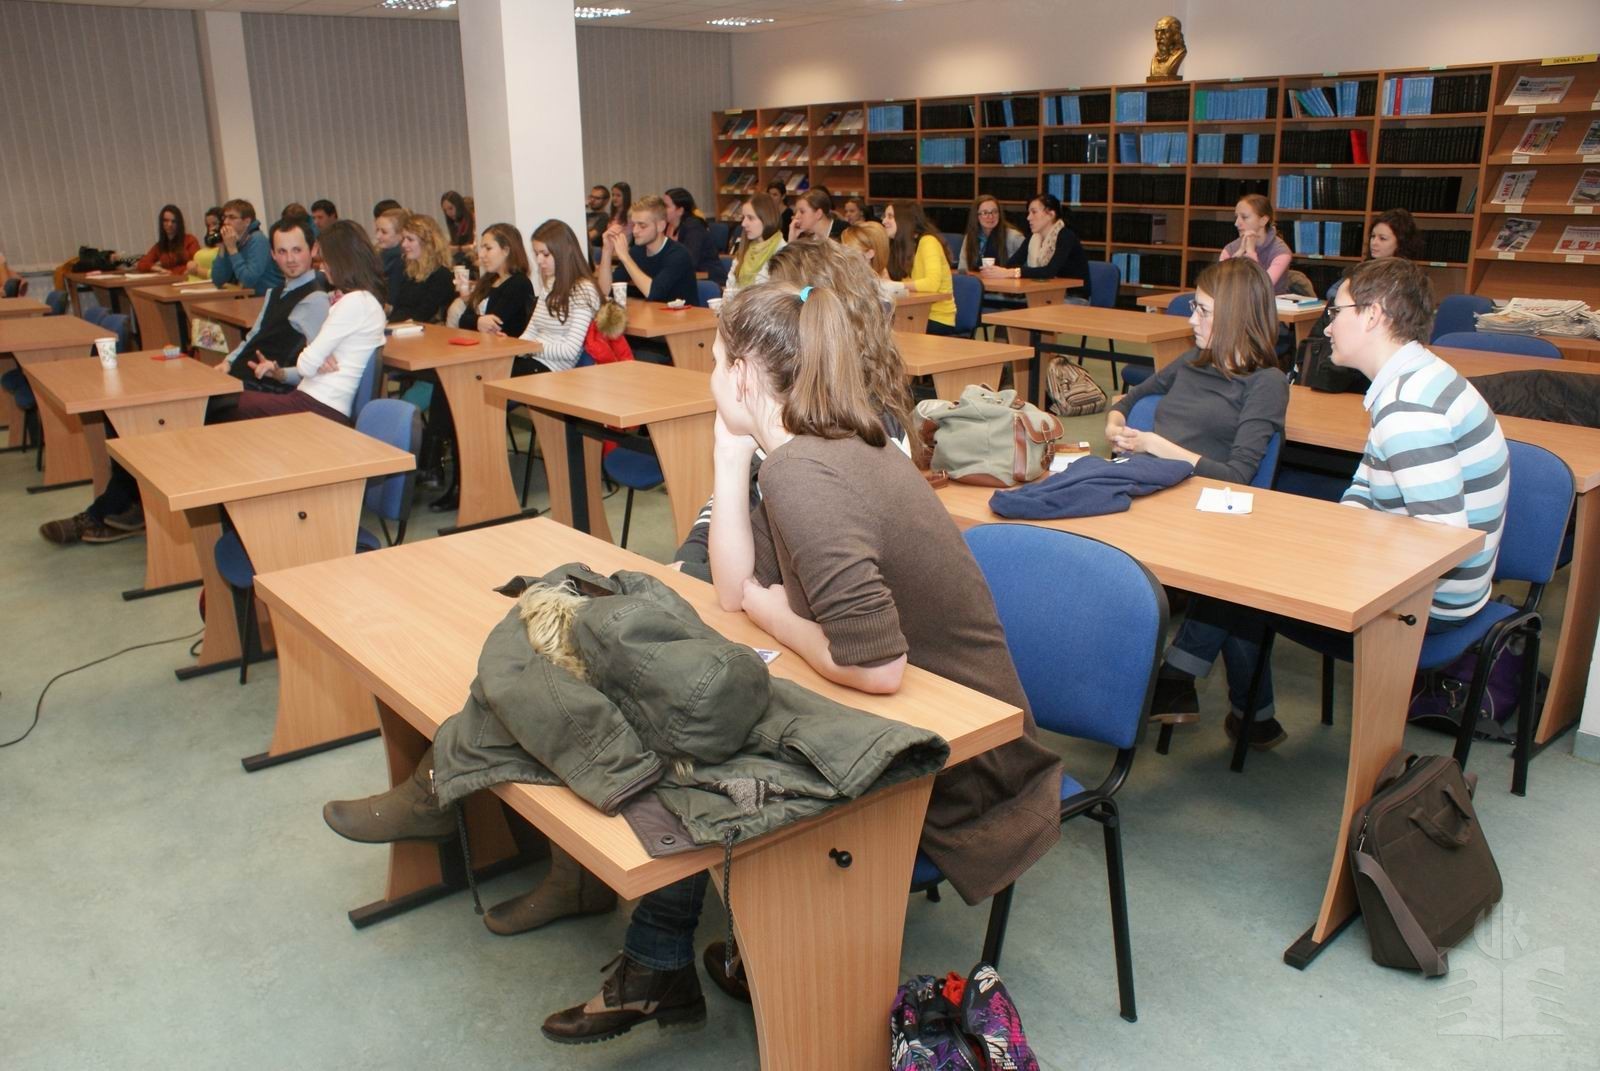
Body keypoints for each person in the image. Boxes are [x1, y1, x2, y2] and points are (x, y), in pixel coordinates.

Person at [537, 263, 1063, 1042]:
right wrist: (728, 452)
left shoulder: (807, 472)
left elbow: (877, 665)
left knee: (696, 738)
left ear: (746, 375)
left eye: (717, 361)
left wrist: (770, 611)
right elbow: (730, 587)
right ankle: (701, 958)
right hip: (900, 713)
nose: (707, 374)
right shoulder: (809, 448)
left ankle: (713, 967)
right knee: (698, 712)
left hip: (964, 763)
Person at [40, 219, 336, 546]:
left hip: (265, 391)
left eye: (297, 250)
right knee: (139, 420)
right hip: (235, 381)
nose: (290, 258)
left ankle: (110, 512)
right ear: (273, 255)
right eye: (282, 251)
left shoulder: (315, 300)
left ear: (313, 251)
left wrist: (279, 372)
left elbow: (314, 366)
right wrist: (227, 362)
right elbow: (252, 338)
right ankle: (129, 506)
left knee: (159, 424)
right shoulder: (277, 292)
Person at [1105, 258, 1292, 745]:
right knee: (1242, 597)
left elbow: (1239, 476)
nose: (1192, 319)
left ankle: (1175, 677)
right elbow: (1131, 398)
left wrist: (1159, 446)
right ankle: (1250, 716)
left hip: (1212, 512)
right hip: (1155, 496)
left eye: (1203, 310)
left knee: (1236, 585)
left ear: (1234, 315)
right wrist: (1116, 422)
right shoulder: (1192, 361)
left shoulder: (1266, 383)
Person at [228, 219, 386, 423]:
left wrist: (313, 356)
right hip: (314, 400)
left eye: (326, 260)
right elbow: (312, 362)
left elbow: (305, 365)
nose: (323, 266)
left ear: (341, 261)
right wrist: (315, 357)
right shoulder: (364, 301)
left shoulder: (353, 302)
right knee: (230, 402)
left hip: (319, 406)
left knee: (227, 404)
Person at [430, 223, 535, 511]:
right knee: (445, 384)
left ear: (507, 250)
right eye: (481, 248)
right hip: (480, 358)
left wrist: (475, 320)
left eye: (488, 248)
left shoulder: (518, 284)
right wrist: (476, 320)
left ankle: (451, 475)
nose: (482, 254)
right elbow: (467, 320)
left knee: (458, 395)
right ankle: (441, 466)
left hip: (506, 365)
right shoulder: (489, 281)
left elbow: (494, 323)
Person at [519, 219, 602, 373]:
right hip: (534, 359)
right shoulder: (550, 283)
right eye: (537, 254)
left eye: (545, 254)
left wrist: (529, 349)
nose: (539, 260)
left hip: (552, 369)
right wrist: (515, 348)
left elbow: (570, 351)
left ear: (565, 251)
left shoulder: (584, 290)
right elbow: (531, 331)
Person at [980, 192, 1089, 297]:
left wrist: (1011, 273)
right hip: (1041, 293)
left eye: (1034, 212)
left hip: (1072, 297)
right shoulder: (1033, 238)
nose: (1028, 218)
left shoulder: (1066, 236)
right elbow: (1011, 264)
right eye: (1028, 213)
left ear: (1051, 214)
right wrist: (998, 271)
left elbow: (1049, 272)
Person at [597, 195, 697, 307]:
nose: (635, 231)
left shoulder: (678, 254)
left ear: (661, 226)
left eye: (642, 226)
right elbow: (606, 292)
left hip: (684, 317)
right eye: (634, 225)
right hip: (652, 314)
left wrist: (625, 257)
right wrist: (607, 251)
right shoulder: (636, 252)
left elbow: (653, 293)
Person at [883, 201, 957, 334]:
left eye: (890, 216)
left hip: (936, 317)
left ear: (904, 219)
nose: (884, 221)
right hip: (911, 312)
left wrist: (895, 285)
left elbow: (932, 284)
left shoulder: (928, 242)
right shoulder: (899, 246)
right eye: (885, 216)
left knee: (884, 331)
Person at [388, 213, 454, 325]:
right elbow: (399, 309)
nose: (404, 244)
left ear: (427, 243)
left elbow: (423, 315)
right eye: (404, 239)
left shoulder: (442, 275)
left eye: (410, 239)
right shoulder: (409, 272)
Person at [1219, 194, 1291, 294]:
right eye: (1236, 217)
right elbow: (1220, 284)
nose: (1236, 223)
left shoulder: (1281, 252)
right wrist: (1239, 253)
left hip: (1271, 303)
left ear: (1263, 221)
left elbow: (1260, 288)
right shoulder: (1230, 249)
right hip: (1236, 301)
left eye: (1244, 217)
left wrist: (1250, 253)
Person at [211, 199, 283, 295]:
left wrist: (232, 250)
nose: (226, 222)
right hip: (247, 297)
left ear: (247, 221)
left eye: (232, 217)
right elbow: (218, 280)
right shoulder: (232, 240)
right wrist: (222, 249)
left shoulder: (258, 240)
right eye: (225, 217)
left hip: (267, 297)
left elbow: (249, 280)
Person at [663, 187, 728, 287]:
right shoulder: (665, 226)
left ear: (680, 210)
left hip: (710, 280)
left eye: (666, 206)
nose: (661, 210)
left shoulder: (694, 227)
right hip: (685, 279)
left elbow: (690, 261)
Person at [725, 192, 784, 294]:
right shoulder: (744, 247)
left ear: (766, 219)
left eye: (750, 218)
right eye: (743, 218)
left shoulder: (782, 251)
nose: (743, 224)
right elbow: (730, 287)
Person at [957, 195, 1024, 274]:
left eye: (994, 212)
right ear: (976, 216)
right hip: (977, 280)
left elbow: (1025, 268)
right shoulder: (970, 237)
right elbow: (962, 269)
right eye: (985, 213)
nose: (991, 216)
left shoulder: (1014, 237)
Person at [839, 221, 899, 299]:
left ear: (870, 254)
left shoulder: (881, 283)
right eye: (843, 248)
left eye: (850, 250)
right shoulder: (845, 275)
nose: (844, 253)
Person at [135, 204, 199, 275]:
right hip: (169, 279)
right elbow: (141, 264)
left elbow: (198, 262)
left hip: (188, 277)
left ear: (179, 223)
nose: (169, 224)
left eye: (173, 221)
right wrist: (157, 268)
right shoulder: (159, 246)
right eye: (166, 221)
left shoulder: (190, 240)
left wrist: (178, 272)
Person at [374, 206, 408, 304]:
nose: (377, 236)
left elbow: (392, 299)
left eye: (384, 232)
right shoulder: (381, 256)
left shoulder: (400, 262)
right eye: (377, 230)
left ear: (401, 234)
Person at [185, 207, 223, 281]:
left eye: (214, 224)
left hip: (208, 285)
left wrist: (197, 270)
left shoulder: (226, 247)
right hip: (191, 283)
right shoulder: (208, 247)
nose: (211, 228)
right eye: (208, 225)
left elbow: (221, 275)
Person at [440, 190, 475, 260]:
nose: (448, 213)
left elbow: (475, 247)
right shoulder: (455, 225)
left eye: (450, 208)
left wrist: (458, 249)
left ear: (458, 206)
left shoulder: (473, 220)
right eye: (445, 210)